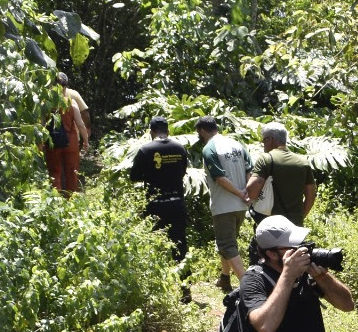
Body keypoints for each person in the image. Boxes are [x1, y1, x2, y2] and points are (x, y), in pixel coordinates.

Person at [196, 115, 253, 293]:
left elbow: (220, 178)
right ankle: (225, 278)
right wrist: (246, 193)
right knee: (228, 243)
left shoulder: (209, 149)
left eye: (199, 133)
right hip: (241, 206)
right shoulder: (237, 145)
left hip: (223, 206)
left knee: (227, 245)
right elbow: (249, 171)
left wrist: (238, 192)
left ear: (203, 131)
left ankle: (247, 284)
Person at [131, 116, 192, 262]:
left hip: (155, 203)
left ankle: (158, 275)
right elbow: (183, 171)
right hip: (177, 201)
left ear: (151, 132)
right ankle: (183, 276)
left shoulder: (145, 150)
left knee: (154, 240)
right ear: (168, 131)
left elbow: (134, 176)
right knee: (179, 240)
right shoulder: (179, 148)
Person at [245, 122, 316, 225]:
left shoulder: (266, 159)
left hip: (270, 225)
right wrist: (299, 218)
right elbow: (311, 196)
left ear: (271, 139)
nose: (263, 144)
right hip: (295, 225)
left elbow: (252, 191)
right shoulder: (303, 163)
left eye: (264, 140)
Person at [44, 71, 91, 195]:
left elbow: (41, 124)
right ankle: (70, 199)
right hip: (71, 142)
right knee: (72, 172)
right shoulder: (71, 102)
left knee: (55, 172)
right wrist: (86, 140)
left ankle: (56, 200)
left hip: (53, 142)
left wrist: (40, 143)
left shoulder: (47, 104)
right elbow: (80, 124)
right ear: (65, 87)